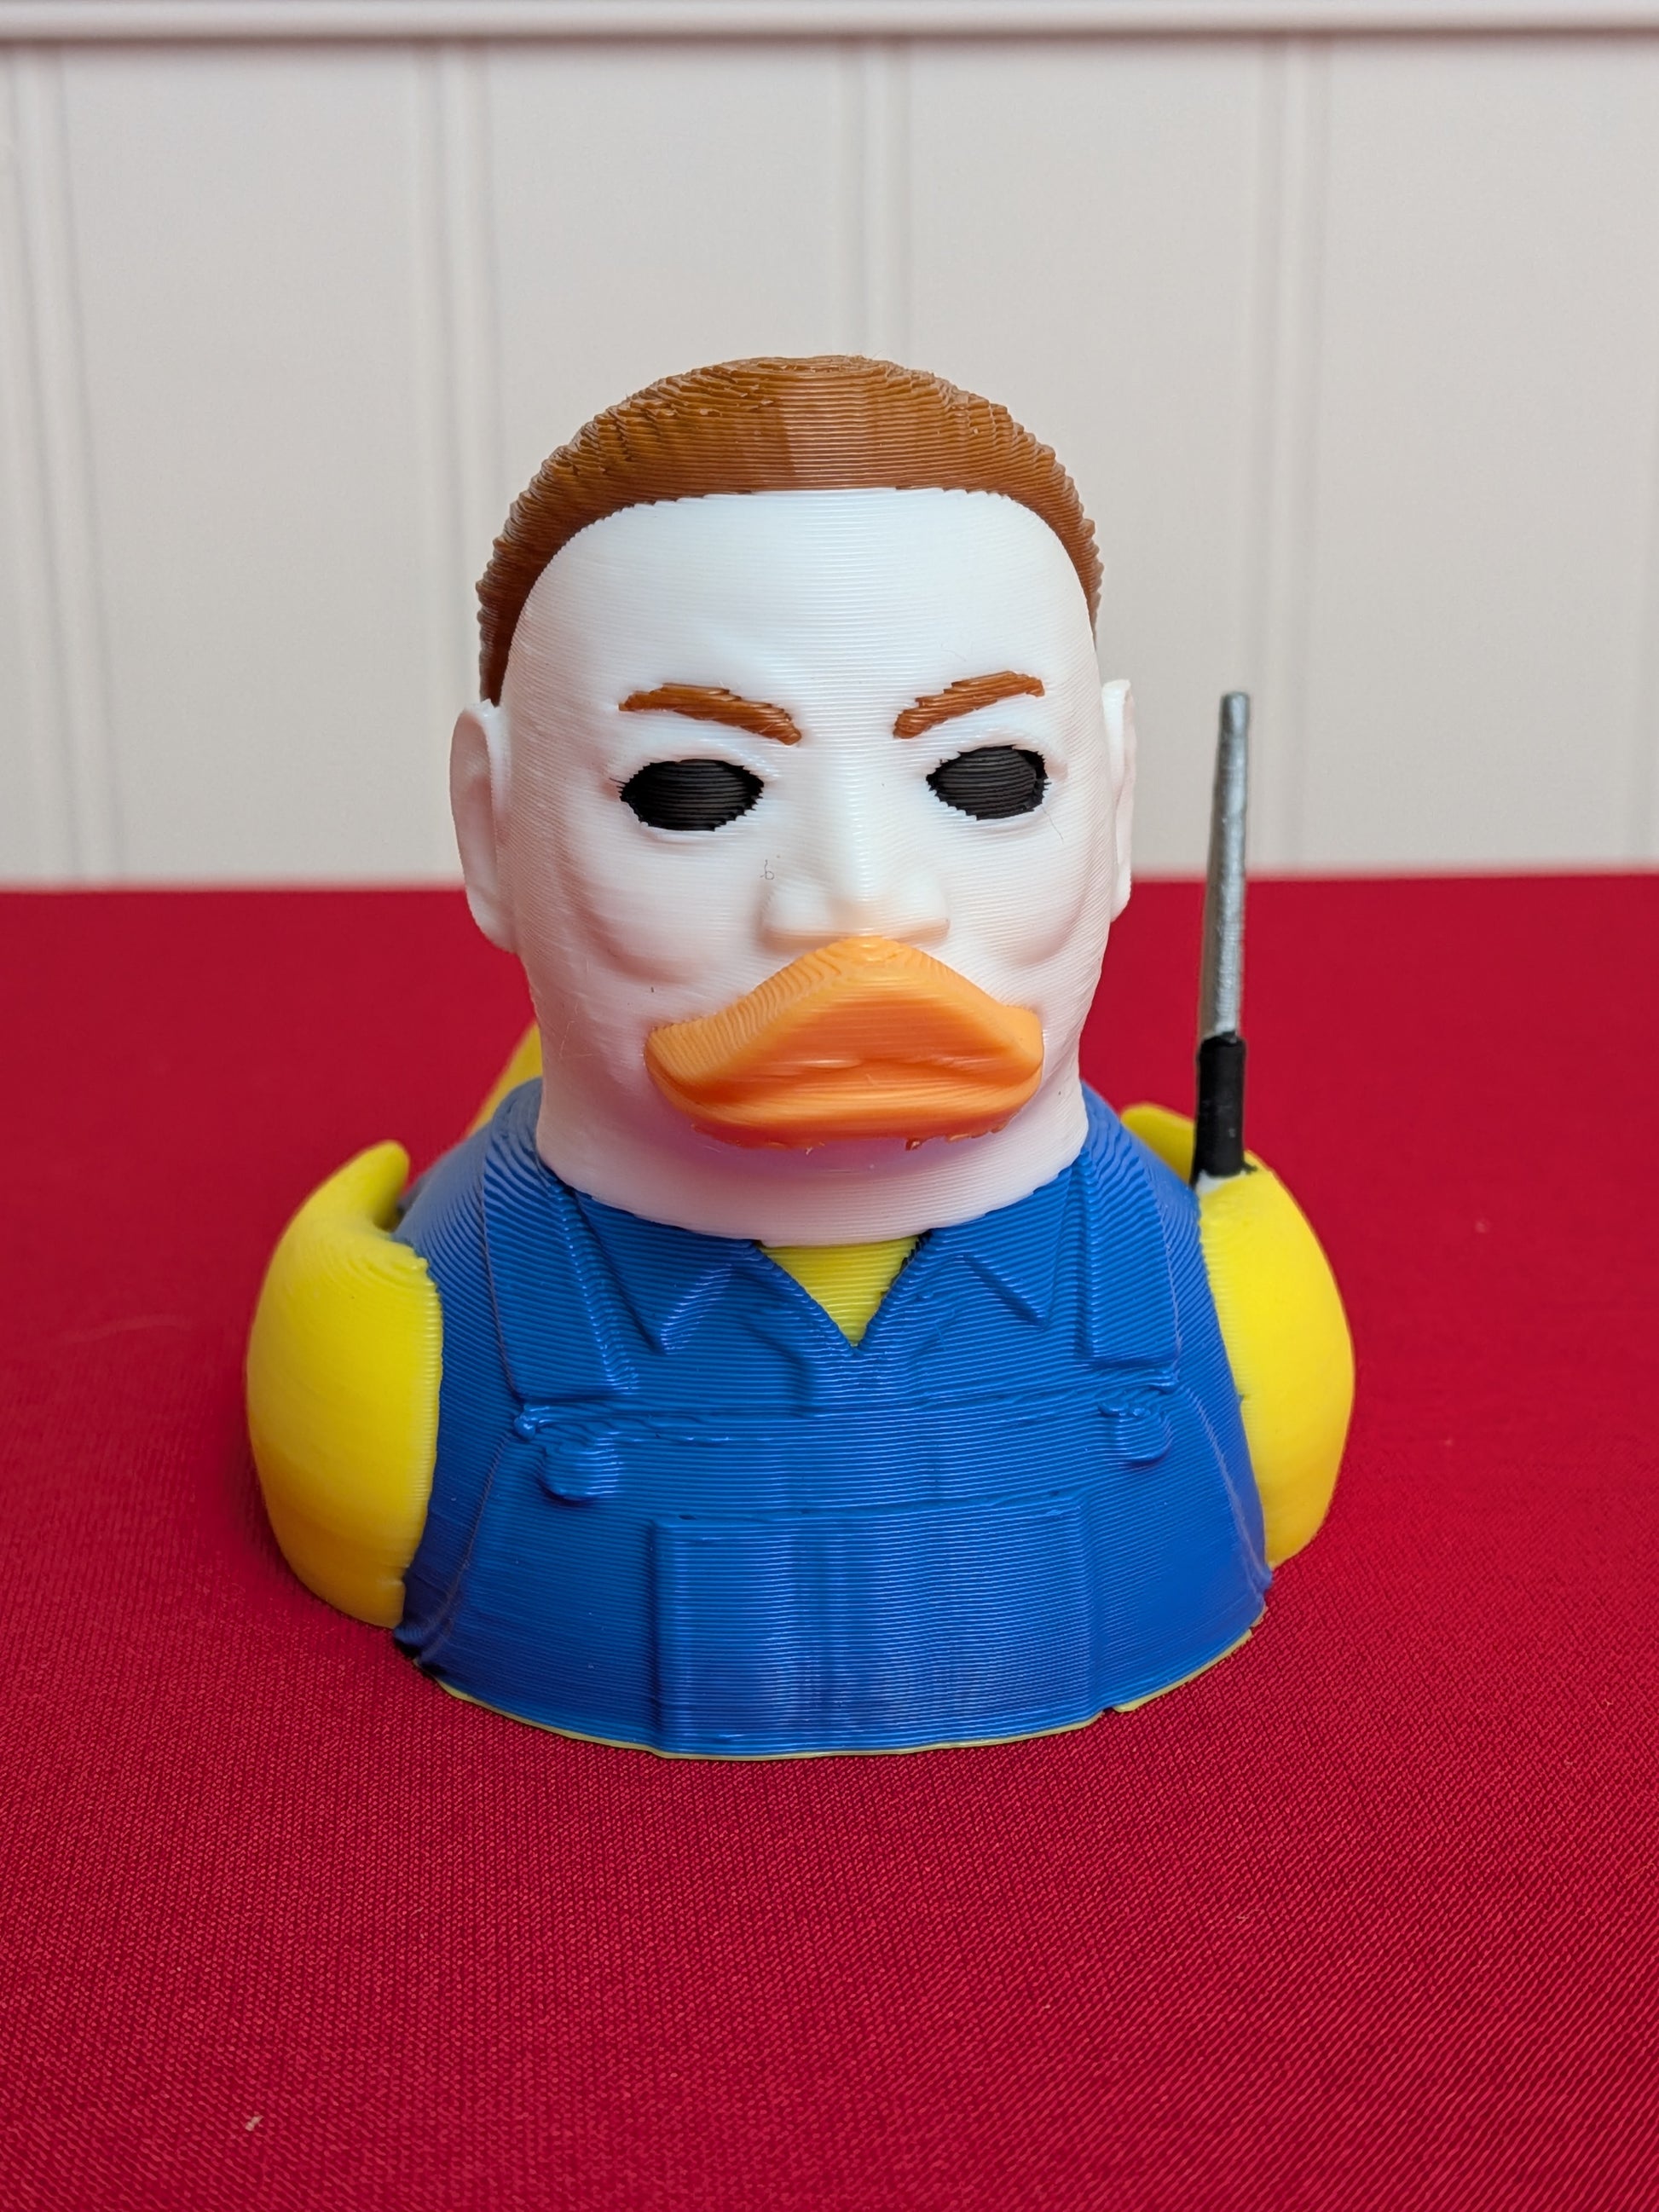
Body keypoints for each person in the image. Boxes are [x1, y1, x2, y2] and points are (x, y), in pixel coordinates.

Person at [248, 357, 1353, 1756]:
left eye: (987, 779)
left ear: (1115, 805)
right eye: (692, 792)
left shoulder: (1228, 1294)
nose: (858, 899)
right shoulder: (400, 1334)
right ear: (492, 830)